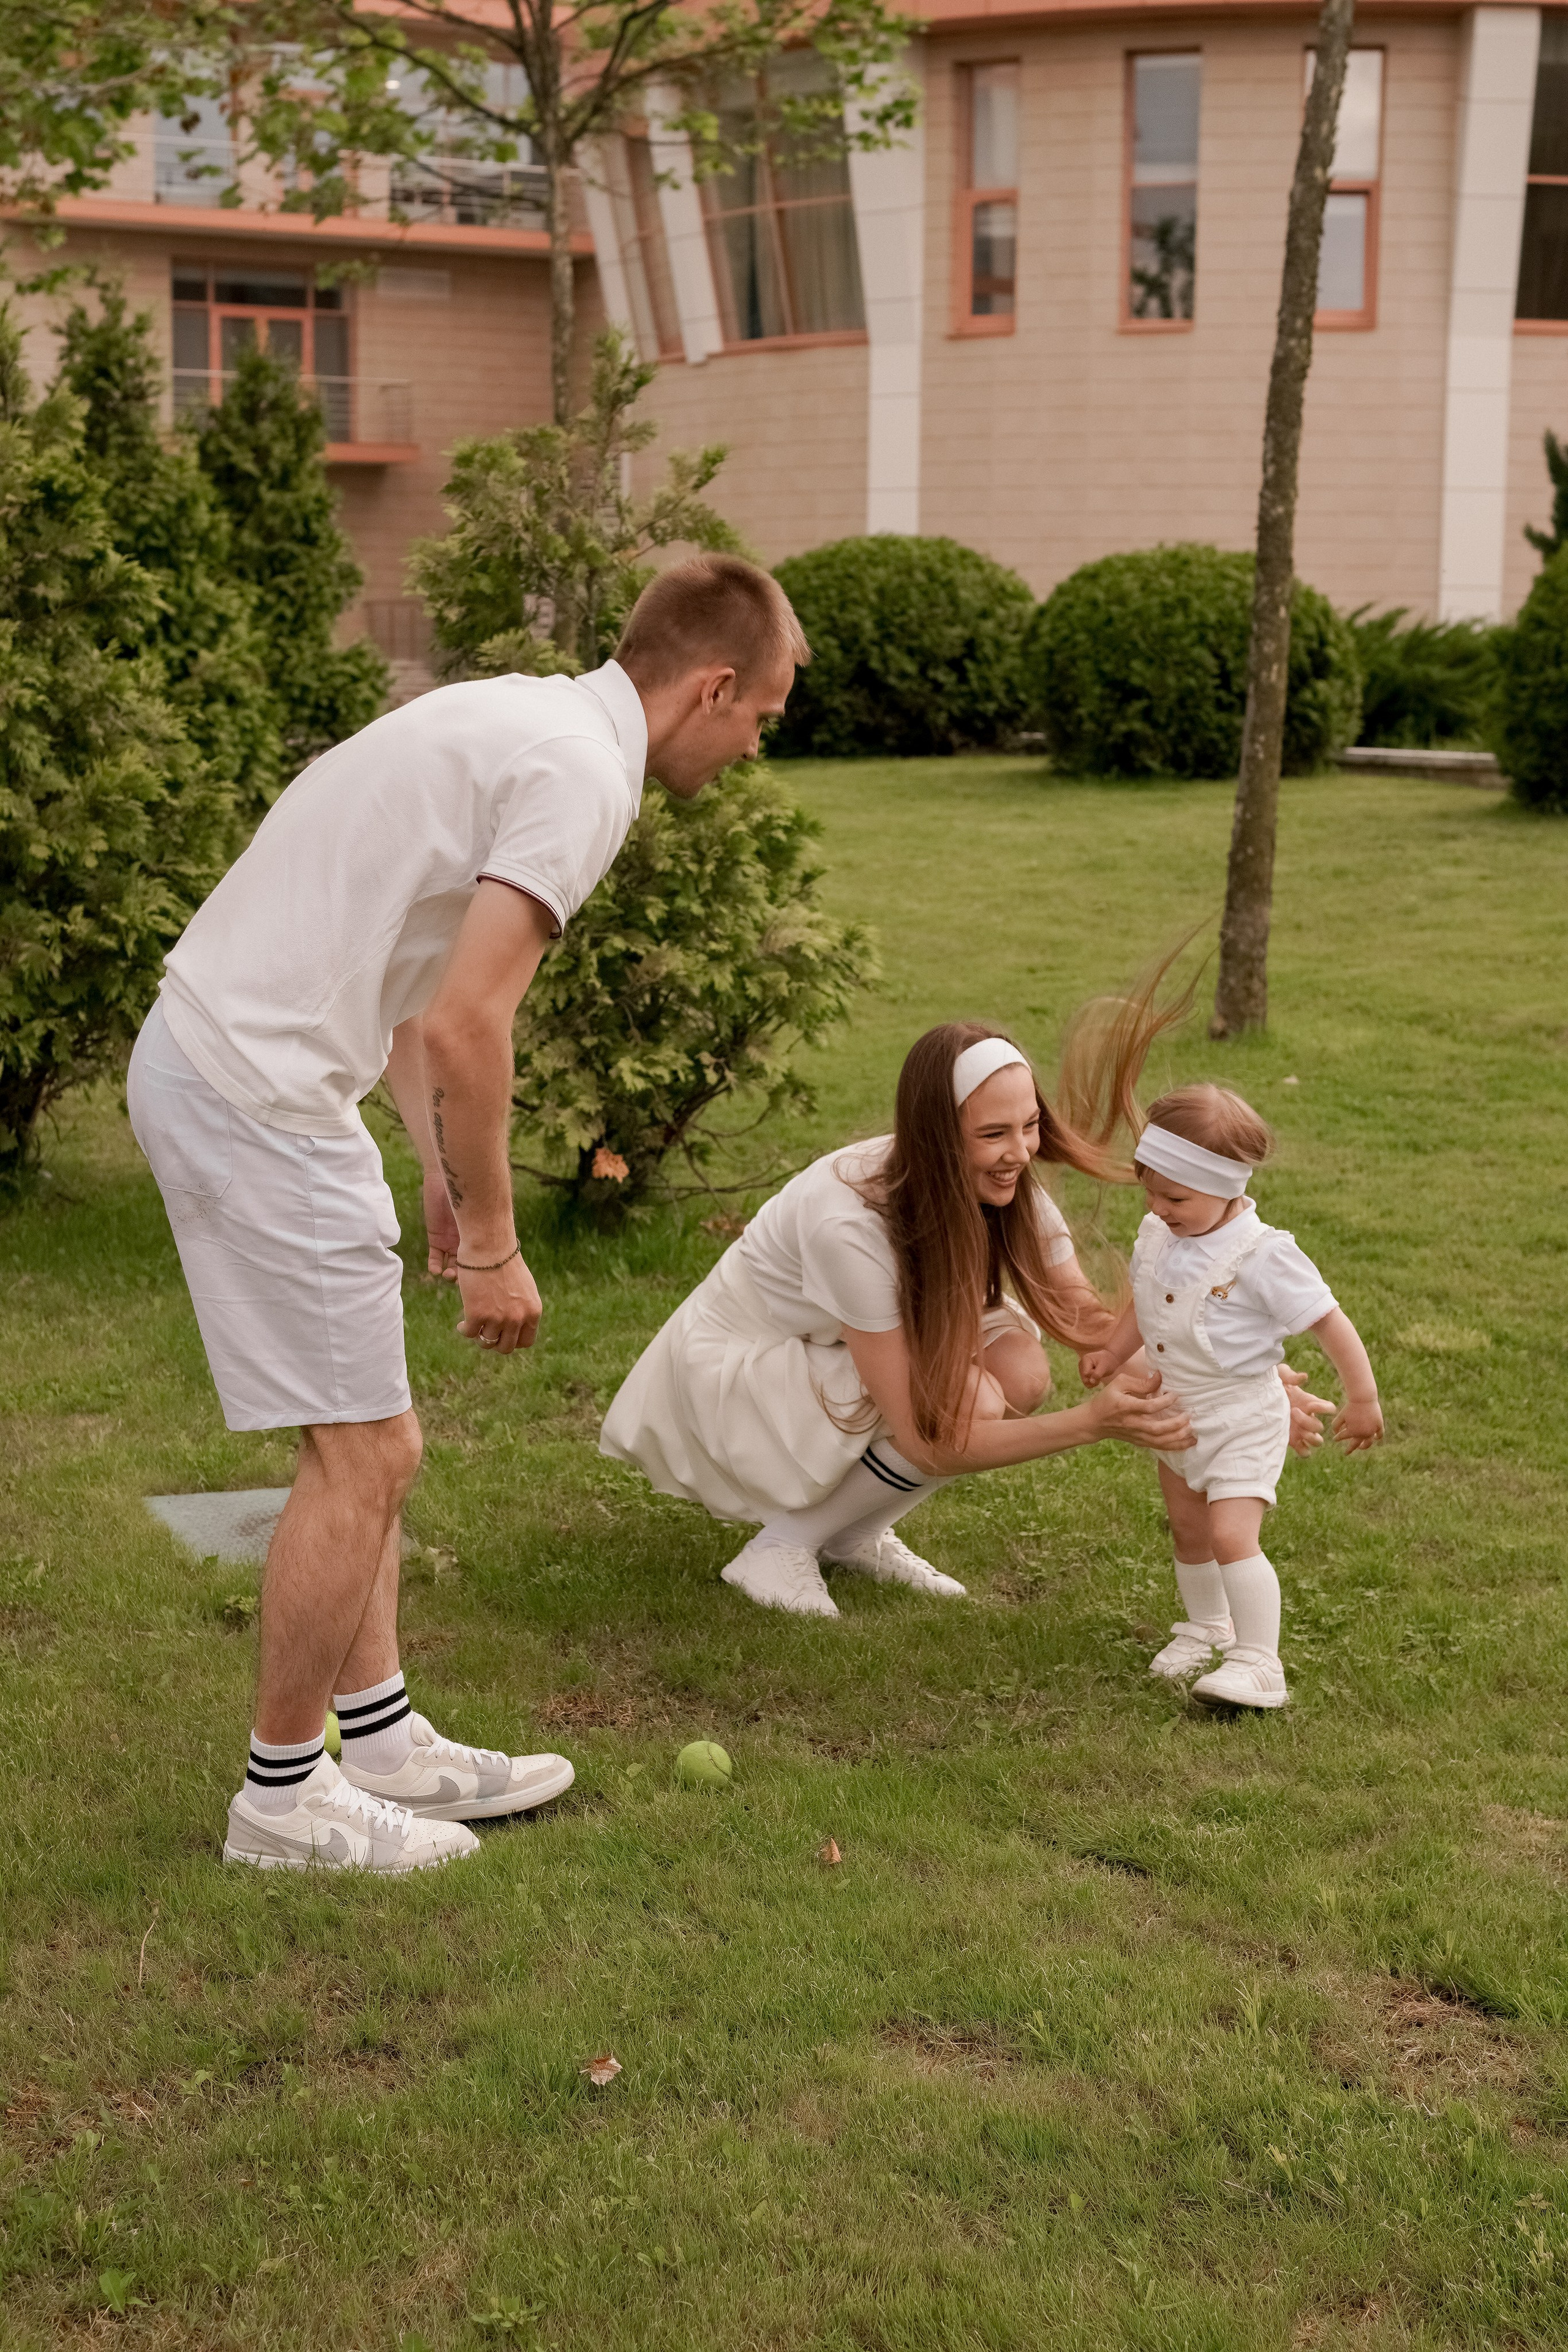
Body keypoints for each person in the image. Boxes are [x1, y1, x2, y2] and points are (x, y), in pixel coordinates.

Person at [127, 553, 807, 1871]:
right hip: (253, 1090)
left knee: (363, 1439)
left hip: (247, 1067)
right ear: (713, 687)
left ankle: (382, 1747)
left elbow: (399, 964)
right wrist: (493, 1247)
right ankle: (284, 1802)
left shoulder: (524, 720)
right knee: (367, 1455)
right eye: (761, 719)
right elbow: (467, 1016)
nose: (752, 748)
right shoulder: (581, 774)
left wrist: (436, 1172)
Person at [603, 1014, 1325, 1618]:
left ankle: (854, 1536)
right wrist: (1090, 1424)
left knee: (1019, 1370)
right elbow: (929, 1437)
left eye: (1029, 1126)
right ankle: (781, 1549)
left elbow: (1089, 1323)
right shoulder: (848, 1224)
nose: (1019, 1154)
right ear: (935, 1137)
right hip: (738, 1373)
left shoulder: (1005, 1188)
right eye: (993, 1136)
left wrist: (1243, 1388)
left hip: (844, 1343)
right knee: (966, 1401)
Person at [1079, 1084, 1383, 1711]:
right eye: (1152, 1193)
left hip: (1244, 1416)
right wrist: (1112, 1351)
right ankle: (1206, 1628)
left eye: (1176, 1197)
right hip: (1177, 1412)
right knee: (1188, 1530)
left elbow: (1329, 1321)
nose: (1160, 1208)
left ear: (1225, 1186)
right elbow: (1144, 1301)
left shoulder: (1262, 1255)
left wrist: (1363, 1397)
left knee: (1230, 1535)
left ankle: (1258, 1660)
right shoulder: (1161, 1233)